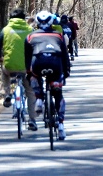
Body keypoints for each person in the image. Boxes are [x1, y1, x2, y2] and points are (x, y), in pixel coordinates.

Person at [25, 10, 71, 140]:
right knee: (58, 94)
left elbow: (27, 58)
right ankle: (61, 125)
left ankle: (39, 98)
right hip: (56, 66)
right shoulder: (59, 36)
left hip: (38, 63)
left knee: (34, 75)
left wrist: (29, 72)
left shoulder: (30, 36)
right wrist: (66, 72)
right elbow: (65, 57)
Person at [0, 8, 38, 131]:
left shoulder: (6, 30)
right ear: (23, 18)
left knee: (4, 73)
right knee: (30, 92)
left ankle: (7, 94)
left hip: (9, 66)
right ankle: (32, 120)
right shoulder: (30, 30)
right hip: (26, 68)